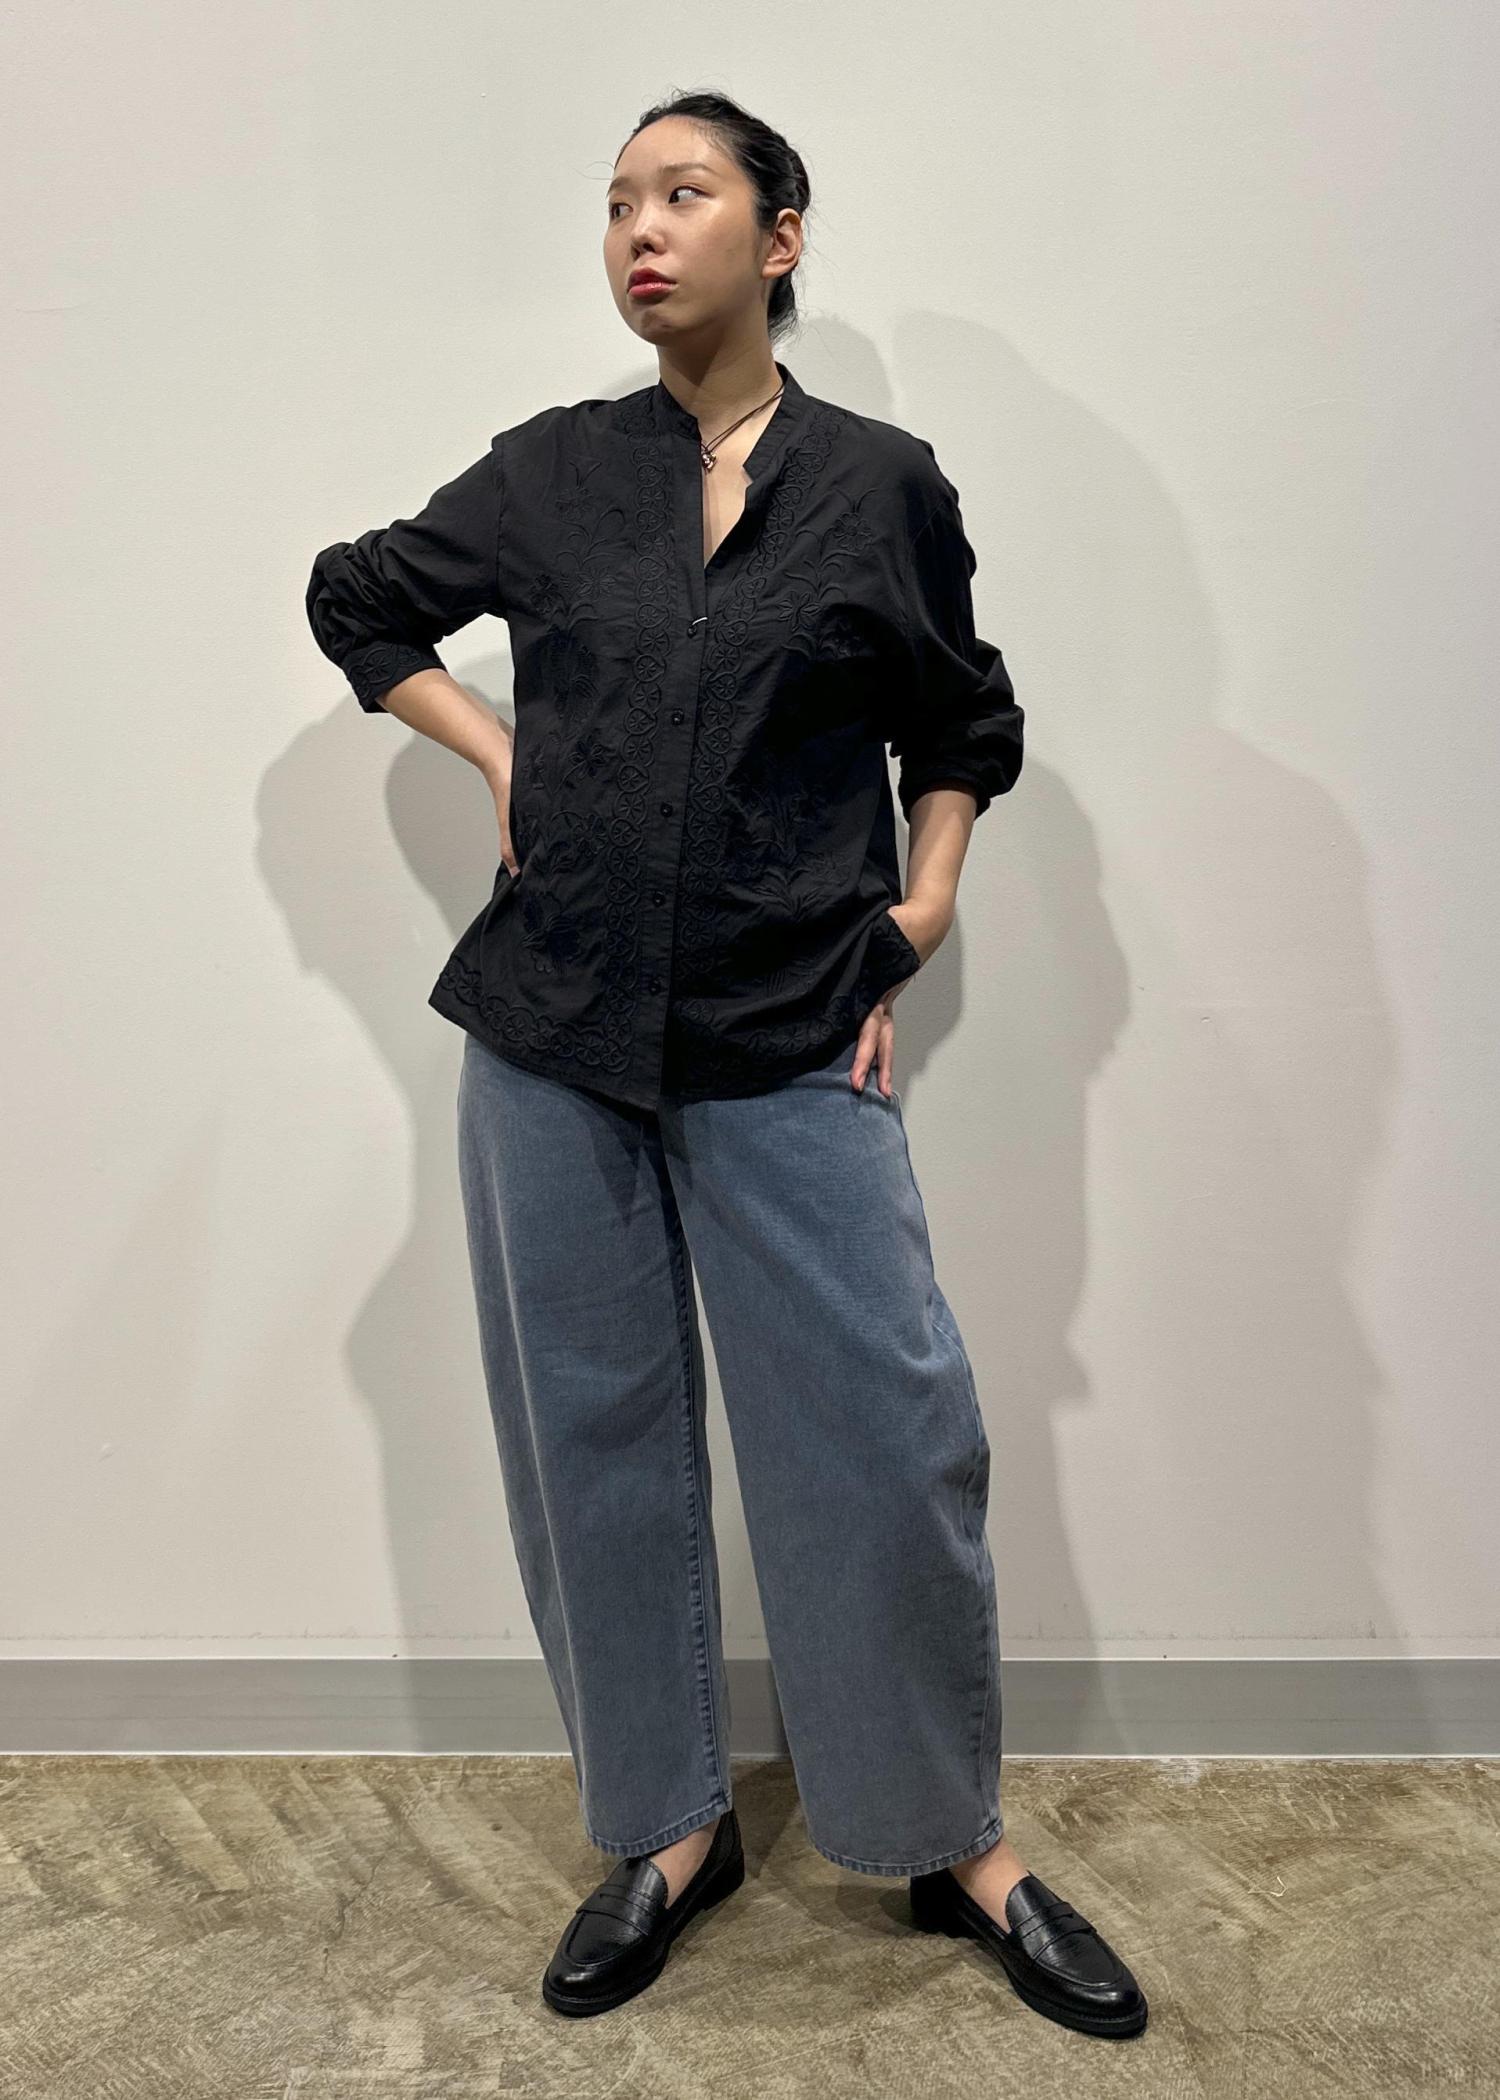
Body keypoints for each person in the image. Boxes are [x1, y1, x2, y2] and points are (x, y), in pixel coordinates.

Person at [306, 90, 1146, 2042]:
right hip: (555, 1031)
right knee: (594, 1441)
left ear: (779, 236)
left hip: (786, 1023)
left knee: (886, 1430)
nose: (640, 229)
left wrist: (922, 904)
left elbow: (961, 720)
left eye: (683, 194)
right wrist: (500, 750)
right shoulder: (551, 471)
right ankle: (671, 1829)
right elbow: (360, 596)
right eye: (618, 201)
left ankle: (948, 1841)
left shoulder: (880, 486)